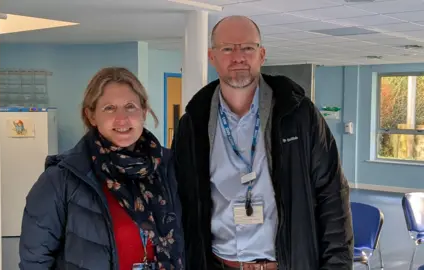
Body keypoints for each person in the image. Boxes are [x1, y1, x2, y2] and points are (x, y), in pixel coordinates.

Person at [171, 15, 353, 270]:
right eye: (227, 48)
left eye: (247, 47)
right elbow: (181, 201)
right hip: (219, 263)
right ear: (212, 57)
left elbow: (332, 194)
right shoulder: (194, 122)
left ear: (262, 54)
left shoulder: (298, 115)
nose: (238, 57)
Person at [19, 67, 184, 270]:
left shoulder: (171, 167)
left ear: (144, 111)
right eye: (109, 108)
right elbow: (35, 261)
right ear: (91, 116)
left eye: (130, 106)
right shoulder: (61, 179)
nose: (121, 119)